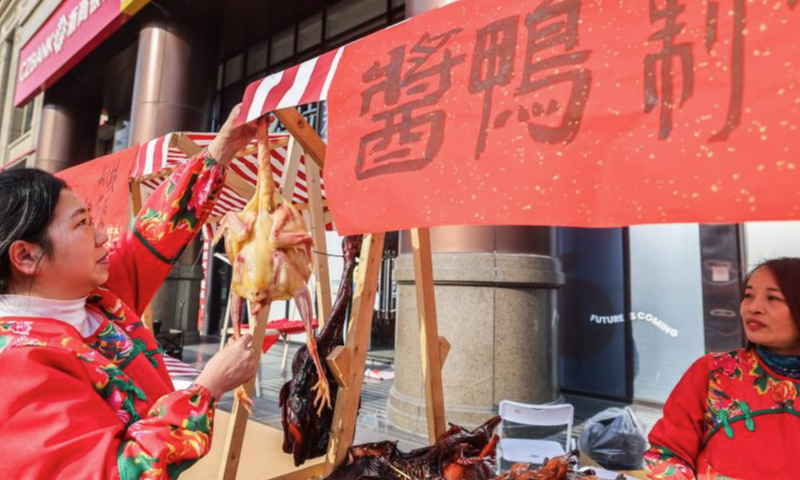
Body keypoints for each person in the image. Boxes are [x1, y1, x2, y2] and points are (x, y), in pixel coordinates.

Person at [0, 105, 258, 479]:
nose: (102, 234)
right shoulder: (18, 366)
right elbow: (115, 471)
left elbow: (153, 236)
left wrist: (221, 150)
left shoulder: (96, 300)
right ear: (26, 255)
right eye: (83, 224)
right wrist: (208, 387)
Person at [645, 257, 800, 480]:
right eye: (748, 296)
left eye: (773, 298)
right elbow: (668, 453)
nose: (753, 308)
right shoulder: (713, 372)